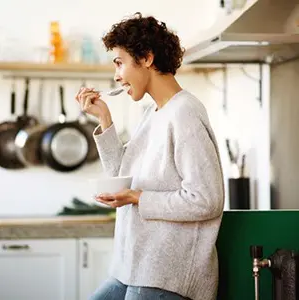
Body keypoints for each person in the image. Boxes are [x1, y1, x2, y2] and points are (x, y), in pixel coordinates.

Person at [76, 12, 224, 300]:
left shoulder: (185, 114)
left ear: (146, 58)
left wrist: (137, 197)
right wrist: (105, 118)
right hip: (134, 266)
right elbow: (123, 172)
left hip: (167, 275)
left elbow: (206, 200)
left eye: (119, 63)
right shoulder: (153, 113)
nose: (116, 75)